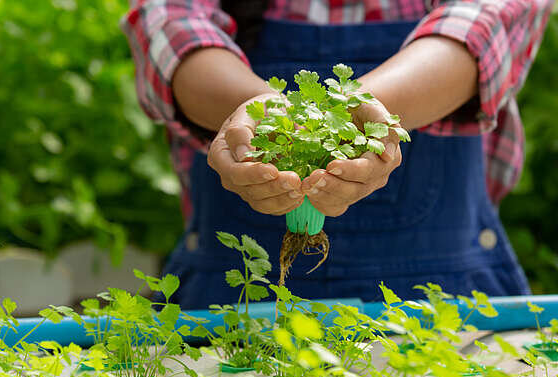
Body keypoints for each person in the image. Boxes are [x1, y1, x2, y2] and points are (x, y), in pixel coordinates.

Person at [122, 0, 553, 309]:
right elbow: (171, 24)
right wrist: (258, 112)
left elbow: (486, 21)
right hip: (234, 299)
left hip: (440, 290)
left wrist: (368, 110)